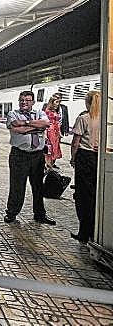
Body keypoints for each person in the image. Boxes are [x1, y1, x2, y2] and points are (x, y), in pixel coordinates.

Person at [4, 90, 55, 225]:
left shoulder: (40, 113)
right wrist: (36, 127)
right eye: (21, 100)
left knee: (38, 186)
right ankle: (11, 213)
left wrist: (25, 122)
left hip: (37, 156)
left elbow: (46, 124)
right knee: (17, 186)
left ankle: (40, 214)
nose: (24, 102)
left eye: (27, 100)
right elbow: (16, 129)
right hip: (19, 155)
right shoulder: (13, 114)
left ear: (33, 102)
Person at [69, 90, 100, 244]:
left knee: (83, 196)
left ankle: (83, 233)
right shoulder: (105, 118)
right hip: (98, 158)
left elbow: (75, 142)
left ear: (88, 103)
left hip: (84, 158)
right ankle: (95, 231)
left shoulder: (84, 118)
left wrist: (73, 158)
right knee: (95, 195)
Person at [43, 96, 63, 169]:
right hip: (50, 131)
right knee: (49, 148)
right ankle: (47, 164)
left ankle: (51, 164)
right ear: (51, 102)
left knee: (54, 148)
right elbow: (45, 123)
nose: (58, 104)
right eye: (56, 102)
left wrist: (59, 132)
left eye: (59, 102)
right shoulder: (47, 111)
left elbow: (57, 122)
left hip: (55, 132)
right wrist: (45, 134)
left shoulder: (55, 111)